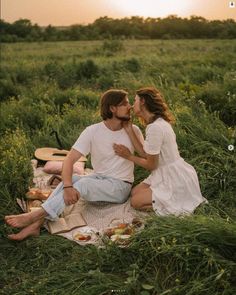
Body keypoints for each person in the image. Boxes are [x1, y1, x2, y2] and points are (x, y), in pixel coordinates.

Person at [5, 89, 143, 240]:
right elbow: (69, 160)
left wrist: (130, 133)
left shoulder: (133, 130)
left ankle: (35, 215)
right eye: (125, 103)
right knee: (74, 180)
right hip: (99, 179)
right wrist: (68, 186)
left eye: (130, 103)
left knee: (81, 184)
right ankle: (35, 226)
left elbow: (145, 156)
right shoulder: (93, 131)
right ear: (112, 108)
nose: (130, 106)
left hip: (120, 187)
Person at [113, 87, 207, 215]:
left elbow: (152, 165)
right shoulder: (155, 123)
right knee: (135, 192)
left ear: (143, 102)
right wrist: (129, 130)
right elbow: (146, 154)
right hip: (164, 172)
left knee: (135, 202)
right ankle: (171, 199)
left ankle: (178, 204)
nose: (131, 105)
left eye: (134, 101)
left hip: (173, 177)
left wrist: (128, 156)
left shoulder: (155, 128)